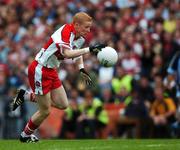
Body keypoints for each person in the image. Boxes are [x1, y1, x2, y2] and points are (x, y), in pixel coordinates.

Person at [11, 12, 105, 142]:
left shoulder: (80, 37)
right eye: (86, 27)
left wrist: (81, 69)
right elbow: (67, 53)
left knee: (63, 104)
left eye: (89, 27)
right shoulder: (65, 31)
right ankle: (25, 135)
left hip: (52, 70)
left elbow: (76, 53)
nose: (88, 30)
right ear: (76, 25)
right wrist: (89, 49)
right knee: (45, 111)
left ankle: (25, 96)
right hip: (40, 69)